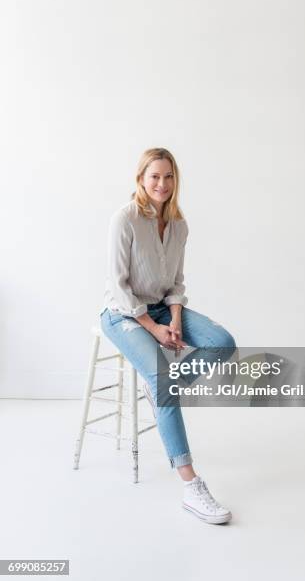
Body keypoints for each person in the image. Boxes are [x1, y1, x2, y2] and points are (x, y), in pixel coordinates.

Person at [100, 147, 236, 524]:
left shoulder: (179, 224)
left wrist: (173, 320)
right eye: (155, 176)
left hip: (162, 308)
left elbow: (175, 282)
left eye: (169, 176)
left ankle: (161, 384)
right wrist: (153, 328)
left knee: (223, 343)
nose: (162, 183)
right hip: (122, 314)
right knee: (164, 383)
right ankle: (192, 487)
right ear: (141, 179)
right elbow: (119, 287)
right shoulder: (124, 220)